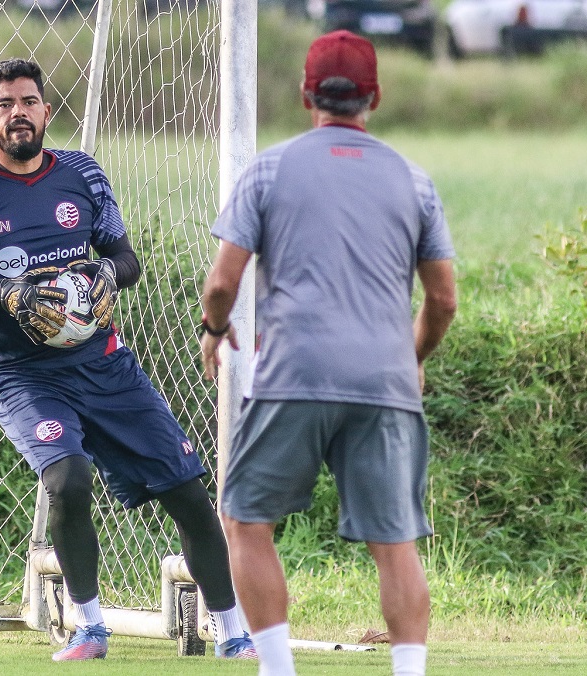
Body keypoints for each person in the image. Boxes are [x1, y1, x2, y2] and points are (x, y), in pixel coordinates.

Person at [0, 58, 256, 663]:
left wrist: (100, 273)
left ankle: (233, 631)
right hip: (20, 374)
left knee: (190, 493)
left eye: (29, 101)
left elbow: (126, 260)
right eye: (6, 104)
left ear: (45, 111)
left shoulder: (84, 176)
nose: (19, 113)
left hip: (104, 364)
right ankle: (88, 626)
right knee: (67, 478)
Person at [198, 31, 458, 676]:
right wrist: (412, 355)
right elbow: (444, 299)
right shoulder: (414, 181)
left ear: (306, 93)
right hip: (385, 380)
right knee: (395, 543)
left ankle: (278, 669)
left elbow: (222, 283)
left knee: (245, 519)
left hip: (295, 371)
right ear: (375, 95)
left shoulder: (269, 168)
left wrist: (214, 326)